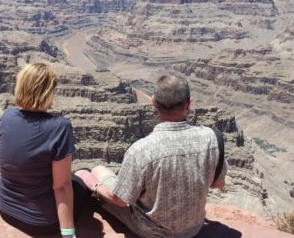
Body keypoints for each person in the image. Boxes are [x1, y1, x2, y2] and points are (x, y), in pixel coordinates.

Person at [76, 74, 228, 238]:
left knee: (98, 170)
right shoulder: (213, 139)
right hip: (193, 229)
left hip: (150, 231)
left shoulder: (141, 150)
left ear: (153, 102)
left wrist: (94, 185)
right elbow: (218, 184)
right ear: (189, 104)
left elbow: (120, 200)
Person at [0, 63, 78, 238]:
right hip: (40, 223)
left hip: (5, 208)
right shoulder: (60, 126)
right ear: (48, 92)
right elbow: (61, 187)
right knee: (81, 180)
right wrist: (69, 234)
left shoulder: (7, 116)